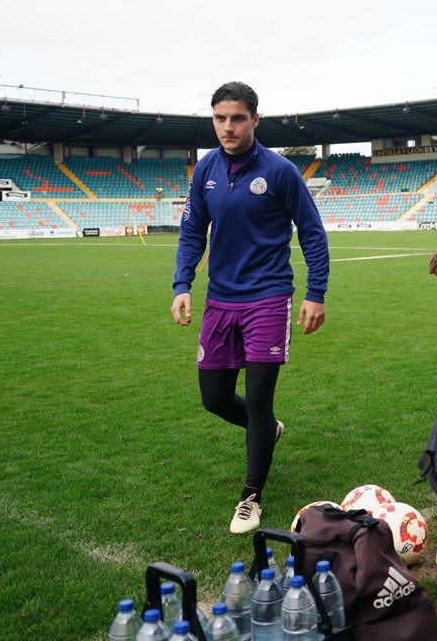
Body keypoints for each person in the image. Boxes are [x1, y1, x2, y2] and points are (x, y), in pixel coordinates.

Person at [172, 81, 329, 535]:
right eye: (220, 118)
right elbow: (191, 232)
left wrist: (315, 292)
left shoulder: (279, 172)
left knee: (259, 398)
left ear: (255, 120)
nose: (227, 126)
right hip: (220, 300)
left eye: (237, 117)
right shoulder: (205, 170)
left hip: (268, 298)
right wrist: (183, 283)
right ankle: (269, 430)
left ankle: (251, 497)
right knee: (214, 398)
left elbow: (312, 233)